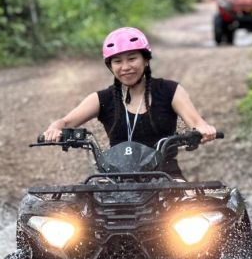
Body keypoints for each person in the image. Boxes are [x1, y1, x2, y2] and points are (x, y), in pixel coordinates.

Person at [43, 27, 217, 179]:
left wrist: (203, 129)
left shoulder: (169, 90)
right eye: (117, 61)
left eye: (132, 58)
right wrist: (54, 129)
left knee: (192, 208)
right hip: (115, 179)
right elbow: (65, 122)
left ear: (146, 59)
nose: (125, 67)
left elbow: (196, 122)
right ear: (110, 66)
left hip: (166, 176)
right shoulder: (102, 98)